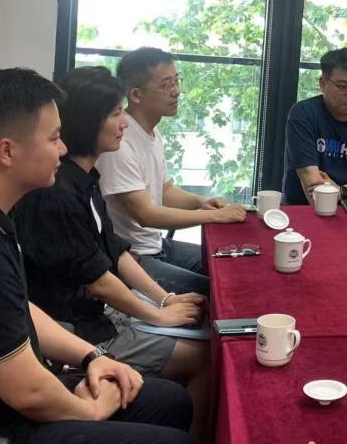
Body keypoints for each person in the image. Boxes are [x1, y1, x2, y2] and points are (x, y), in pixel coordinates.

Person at [0, 68, 194, 443]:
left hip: (16, 395)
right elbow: (28, 393)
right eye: (53, 139)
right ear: (7, 151)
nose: (63, 149)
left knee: (171, 400)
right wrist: (91, 411)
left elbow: (20, 307)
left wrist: (92, 357)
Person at [11, 67, 212, 442]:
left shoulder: (85, 178)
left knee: (205, 322)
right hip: (80, 325)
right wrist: (158, 314)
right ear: (89, 121)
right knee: (204, 356)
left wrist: (164, 300)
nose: (124, 124)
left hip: (99, 312)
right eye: (116, 114)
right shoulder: (56, 192)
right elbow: (98, 280)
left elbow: (114, 252)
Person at [97, 47, 246, 296]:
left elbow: (165, 191)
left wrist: (202, 202)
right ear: (136, 94)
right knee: (221, 291)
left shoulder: (153, 133)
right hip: (134, 258)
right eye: (166, 85)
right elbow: (146, 215)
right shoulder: (120, 141)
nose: (176, 91)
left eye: (177, 81)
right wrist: (214, 216)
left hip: (157, 245)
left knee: (232, 265)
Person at [283, 47, 347, 205]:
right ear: (323, 84)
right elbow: (314, 189)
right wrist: (331, 192)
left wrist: (341, 192)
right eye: (342, 87)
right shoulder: (303, 114)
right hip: (306, 208)